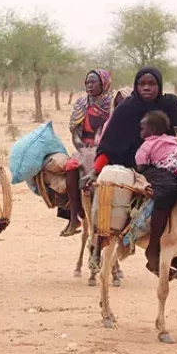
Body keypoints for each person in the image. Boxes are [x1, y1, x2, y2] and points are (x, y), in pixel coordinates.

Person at [85, 67, 177, 284]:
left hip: (171, 163)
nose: (146, 88)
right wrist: (96, 170)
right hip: (136, 167)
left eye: (152, 84)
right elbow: (108, 146)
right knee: (167, 190)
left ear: (160, 85)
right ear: (136, 86)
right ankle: (153, 252)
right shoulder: (125, 110)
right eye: (142, 84)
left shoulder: (171, 106)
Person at [60, 69, 112, 237]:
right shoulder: (81, 103)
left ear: (103, 83)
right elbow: (75, 133)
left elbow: (116, 131)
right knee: (70, 166)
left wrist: (100, 149)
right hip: (84, 147)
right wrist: (83, 150)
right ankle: (74, 216)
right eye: (87, 82)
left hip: (107, 147)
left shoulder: (111, 104)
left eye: (93, 82)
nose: (89, 85)